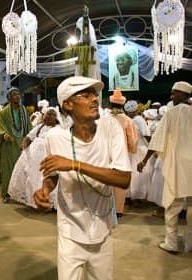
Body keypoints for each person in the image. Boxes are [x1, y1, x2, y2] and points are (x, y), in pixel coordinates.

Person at [34, 76, 131, 280]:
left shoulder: (110, 127)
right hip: (70, 229)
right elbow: (52, 175)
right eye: (86, 95)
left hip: (102, 228)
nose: (94, 99)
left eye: (95, 94)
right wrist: (44, 190)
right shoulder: (55, 137)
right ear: (68, 104)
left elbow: (123, 179)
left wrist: (74, 165)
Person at [138, 81, 192, 253]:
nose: (171, 96)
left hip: (177, 165)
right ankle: (191, 243)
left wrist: (144, 160)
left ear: (184, 95)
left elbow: (157, 140)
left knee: (173, 205)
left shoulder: (172, 113)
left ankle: (172, 243)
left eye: (174, 93)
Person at [8, 106, 60, 209]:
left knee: (47, 178)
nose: (50, 117)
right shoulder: (39, 127)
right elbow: (29, 137)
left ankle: (49, 201)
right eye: (48, 114)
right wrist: (24, 144)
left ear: (57, 117)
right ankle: (33, 200)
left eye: (52, 115)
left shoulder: (59, 129)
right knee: (32, 178)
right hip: (33, 158)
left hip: (48, 155)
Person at [0, 87, 32, 203]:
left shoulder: (24, 110)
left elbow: (29, 127)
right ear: (9, 97)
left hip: (21, 143)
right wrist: (4, 134)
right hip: (9, 144)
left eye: (18, 94)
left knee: (21, 169)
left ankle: (19, 193)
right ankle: (6, 193)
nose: (17, 96)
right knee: (8, 169)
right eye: (14, 94)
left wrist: (29, 138)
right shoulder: (4, 112)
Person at [109, 89, 138, 217]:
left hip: (107, 153)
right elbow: (132, 139)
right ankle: (119, 209)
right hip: (122, 153)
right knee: (120, 181)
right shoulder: (127, 120)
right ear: (122, 105)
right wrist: (132, 150)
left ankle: (107, 207)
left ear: (111, 105)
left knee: (107, 179)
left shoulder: (105, 119)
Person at [124, 100, 151, 202]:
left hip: (130, 150)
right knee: (140, 172)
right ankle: (139, 196)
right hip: (140, 149)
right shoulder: (139, 119)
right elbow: (147, 135)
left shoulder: (127, 120)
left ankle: (129, 195)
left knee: (132, 172)